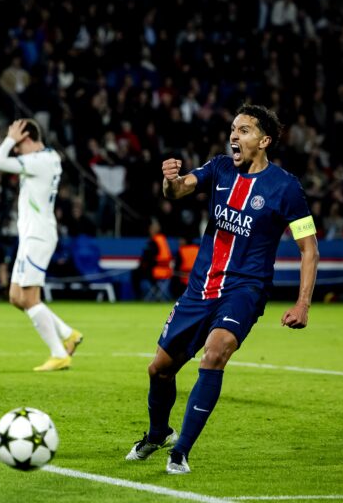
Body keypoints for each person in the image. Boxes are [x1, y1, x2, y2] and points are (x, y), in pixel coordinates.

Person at [125, 104, 319, 474]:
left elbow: (308, 247)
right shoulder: (218, 168)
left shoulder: (286, 187)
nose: (234, 135)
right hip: (200, 289)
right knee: (159, 370)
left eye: (244, 130)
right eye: (233, 128)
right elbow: (179, 191)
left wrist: (303, 303)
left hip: (245, 289)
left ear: (264, 141)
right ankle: (157, 433)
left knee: (214, 355)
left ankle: (180, 451)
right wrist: (170, 180)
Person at [0, 118, 82, 372]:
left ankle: (58, 353)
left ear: (26, 138)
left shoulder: (40, 161)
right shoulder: (48, 158)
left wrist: (9, 139)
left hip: (38, 236)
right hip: (32, 234)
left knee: (29, 298)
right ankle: (68, 334)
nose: (15, 151)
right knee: (16, 297)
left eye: (18, 145)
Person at [130, 219, 173, 301]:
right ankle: (156, 293)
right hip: (166, 271)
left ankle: (138, 296)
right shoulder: (162, 240)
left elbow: (148, 258)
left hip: (156, 272)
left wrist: (141, 264)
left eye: (151, 228)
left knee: (135, 273)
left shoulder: (154, 241)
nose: (150, 230)